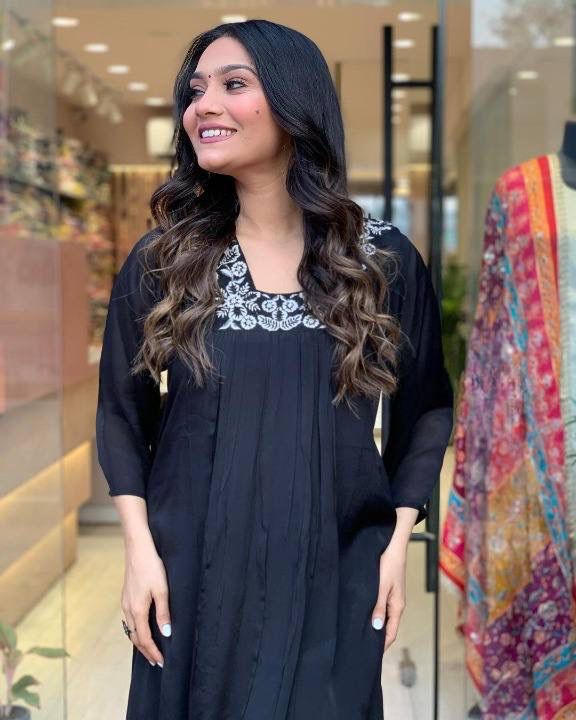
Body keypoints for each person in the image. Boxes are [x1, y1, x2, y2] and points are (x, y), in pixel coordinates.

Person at [96, 18, 454, 720]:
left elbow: (425, 412)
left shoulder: (378, 262)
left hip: (336, 567)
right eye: (195, 90)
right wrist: (139, 552)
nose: (203, 105)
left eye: (234, 84)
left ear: (295, 101)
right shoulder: (164, 261)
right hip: (191, 572)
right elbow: (120, 412)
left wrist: (395, 546)